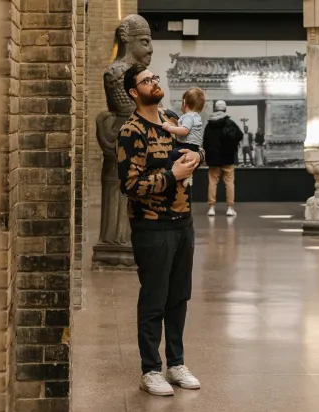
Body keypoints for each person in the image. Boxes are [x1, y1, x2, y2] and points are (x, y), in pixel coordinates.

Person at [116, 63, 204, 397]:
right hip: (152, 227)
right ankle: (150, 369)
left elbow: (194, 148)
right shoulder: (131, 130)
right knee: (154, 298)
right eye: (146, 80)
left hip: (184, 222)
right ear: (133, 92)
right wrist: (173, 175)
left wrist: (194, 160)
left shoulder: (171, 118)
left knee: (179, 296)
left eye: (155, 77)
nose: (154, 82)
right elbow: (130, 184)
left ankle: (176, 363)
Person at [202, 100, 243, 216]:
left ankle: (211, 208)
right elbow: (239, 135)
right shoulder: (229, 123)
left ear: (215, 109)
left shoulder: (210, 124)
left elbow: (205, 142)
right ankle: (230, 208)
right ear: (225, 109)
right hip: (228, 157)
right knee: (229, 183)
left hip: (213, 158)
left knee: (212, 182)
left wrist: (206, 156)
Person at [162, 87, 205, 187]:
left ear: (184, 103)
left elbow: (184, 131)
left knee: (172, 155)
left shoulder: (188, 116)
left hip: (187, 145)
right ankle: (188, 176)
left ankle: (178, 175)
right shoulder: (196, 116)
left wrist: (169, 128)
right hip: (193, 147)